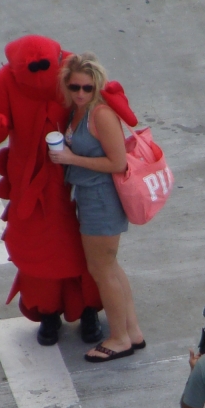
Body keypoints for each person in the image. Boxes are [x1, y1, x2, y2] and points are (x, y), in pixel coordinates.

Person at [0, 35, 103, 347]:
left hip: (75, 172)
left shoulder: (71, 65)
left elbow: (97, 97)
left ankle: (88, 309)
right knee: (37, 248)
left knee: (86, 242)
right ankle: (48, 312)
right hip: (29, 179)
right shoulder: (4, 79)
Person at [48, 52, 144, 362]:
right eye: (74, 87)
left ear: (97, 87)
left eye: (87, 88)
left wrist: (71, 159)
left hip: (101, 199)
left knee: (102, 270)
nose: (80, 93)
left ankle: (119, 339)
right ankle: (132, 332)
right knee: (110, 267)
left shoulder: (99, 114)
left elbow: (117, 162)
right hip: (90, 197)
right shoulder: (80, 111)